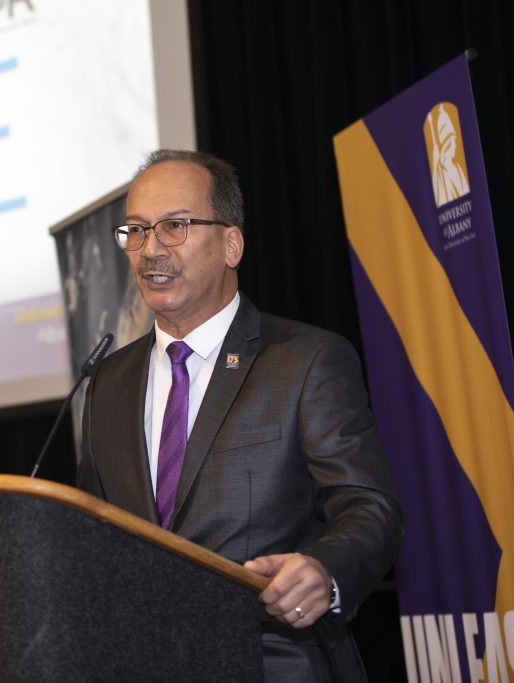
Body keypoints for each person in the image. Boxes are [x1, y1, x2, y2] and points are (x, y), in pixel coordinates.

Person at [76, 149, 403, 682]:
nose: (149, 250)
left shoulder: (304, 360)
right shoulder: (107, 383)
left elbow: (370, 506)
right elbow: (91, 535)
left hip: (272, 663)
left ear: (232, 244)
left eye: (174, 226)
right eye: (135, 231)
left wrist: (324, 568)